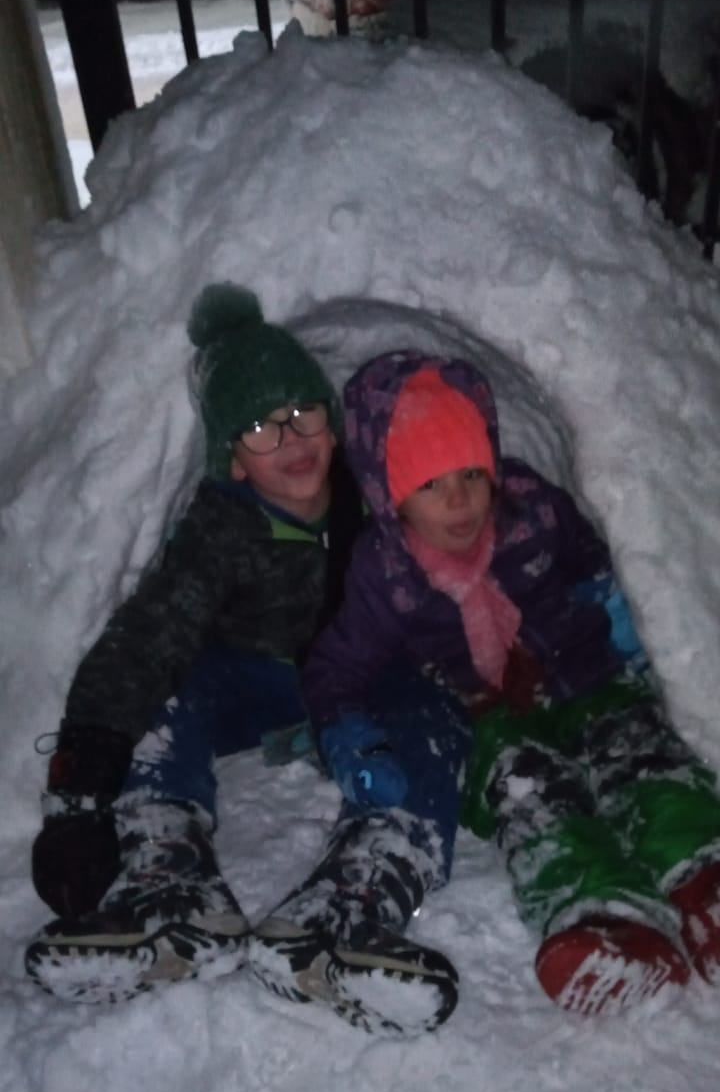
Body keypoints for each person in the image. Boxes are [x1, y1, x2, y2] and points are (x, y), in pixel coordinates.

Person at [247, 349, 720, 1033]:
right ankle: (602, 914)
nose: (461, 499)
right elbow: (338, 665)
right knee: (529, 793)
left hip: (587, 675)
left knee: (641, 756)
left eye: (472, 473)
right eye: (432, 483)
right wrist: (344, 729)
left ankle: (705, 875)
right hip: (489, 711)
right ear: (391, 492)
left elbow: (593, 553)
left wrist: (615, 605)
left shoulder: (533, 510)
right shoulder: (386, 572)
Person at [25, 283, 363, 1005]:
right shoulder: (222, 527)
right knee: (171, 687)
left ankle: (364, 879)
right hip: (249, 687)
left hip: (347, 684)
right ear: (232, 458)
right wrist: (82, 784)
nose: (291, 440)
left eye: (303, 414)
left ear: (332, 423)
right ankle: (170, 872)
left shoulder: (369, 505)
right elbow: (149, 634)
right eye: (261, 428)